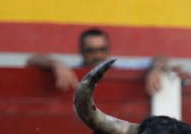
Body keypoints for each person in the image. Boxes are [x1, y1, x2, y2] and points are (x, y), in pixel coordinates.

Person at [27, 28, 170, 96]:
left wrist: (156, 69)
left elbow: (161, 58)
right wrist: (55, 64)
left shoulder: (122, 66)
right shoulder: (71, 70)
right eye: (91, 50)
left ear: (109, 49)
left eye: (102, 49)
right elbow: (32, 59)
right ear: (81, 52)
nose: (98, 55)